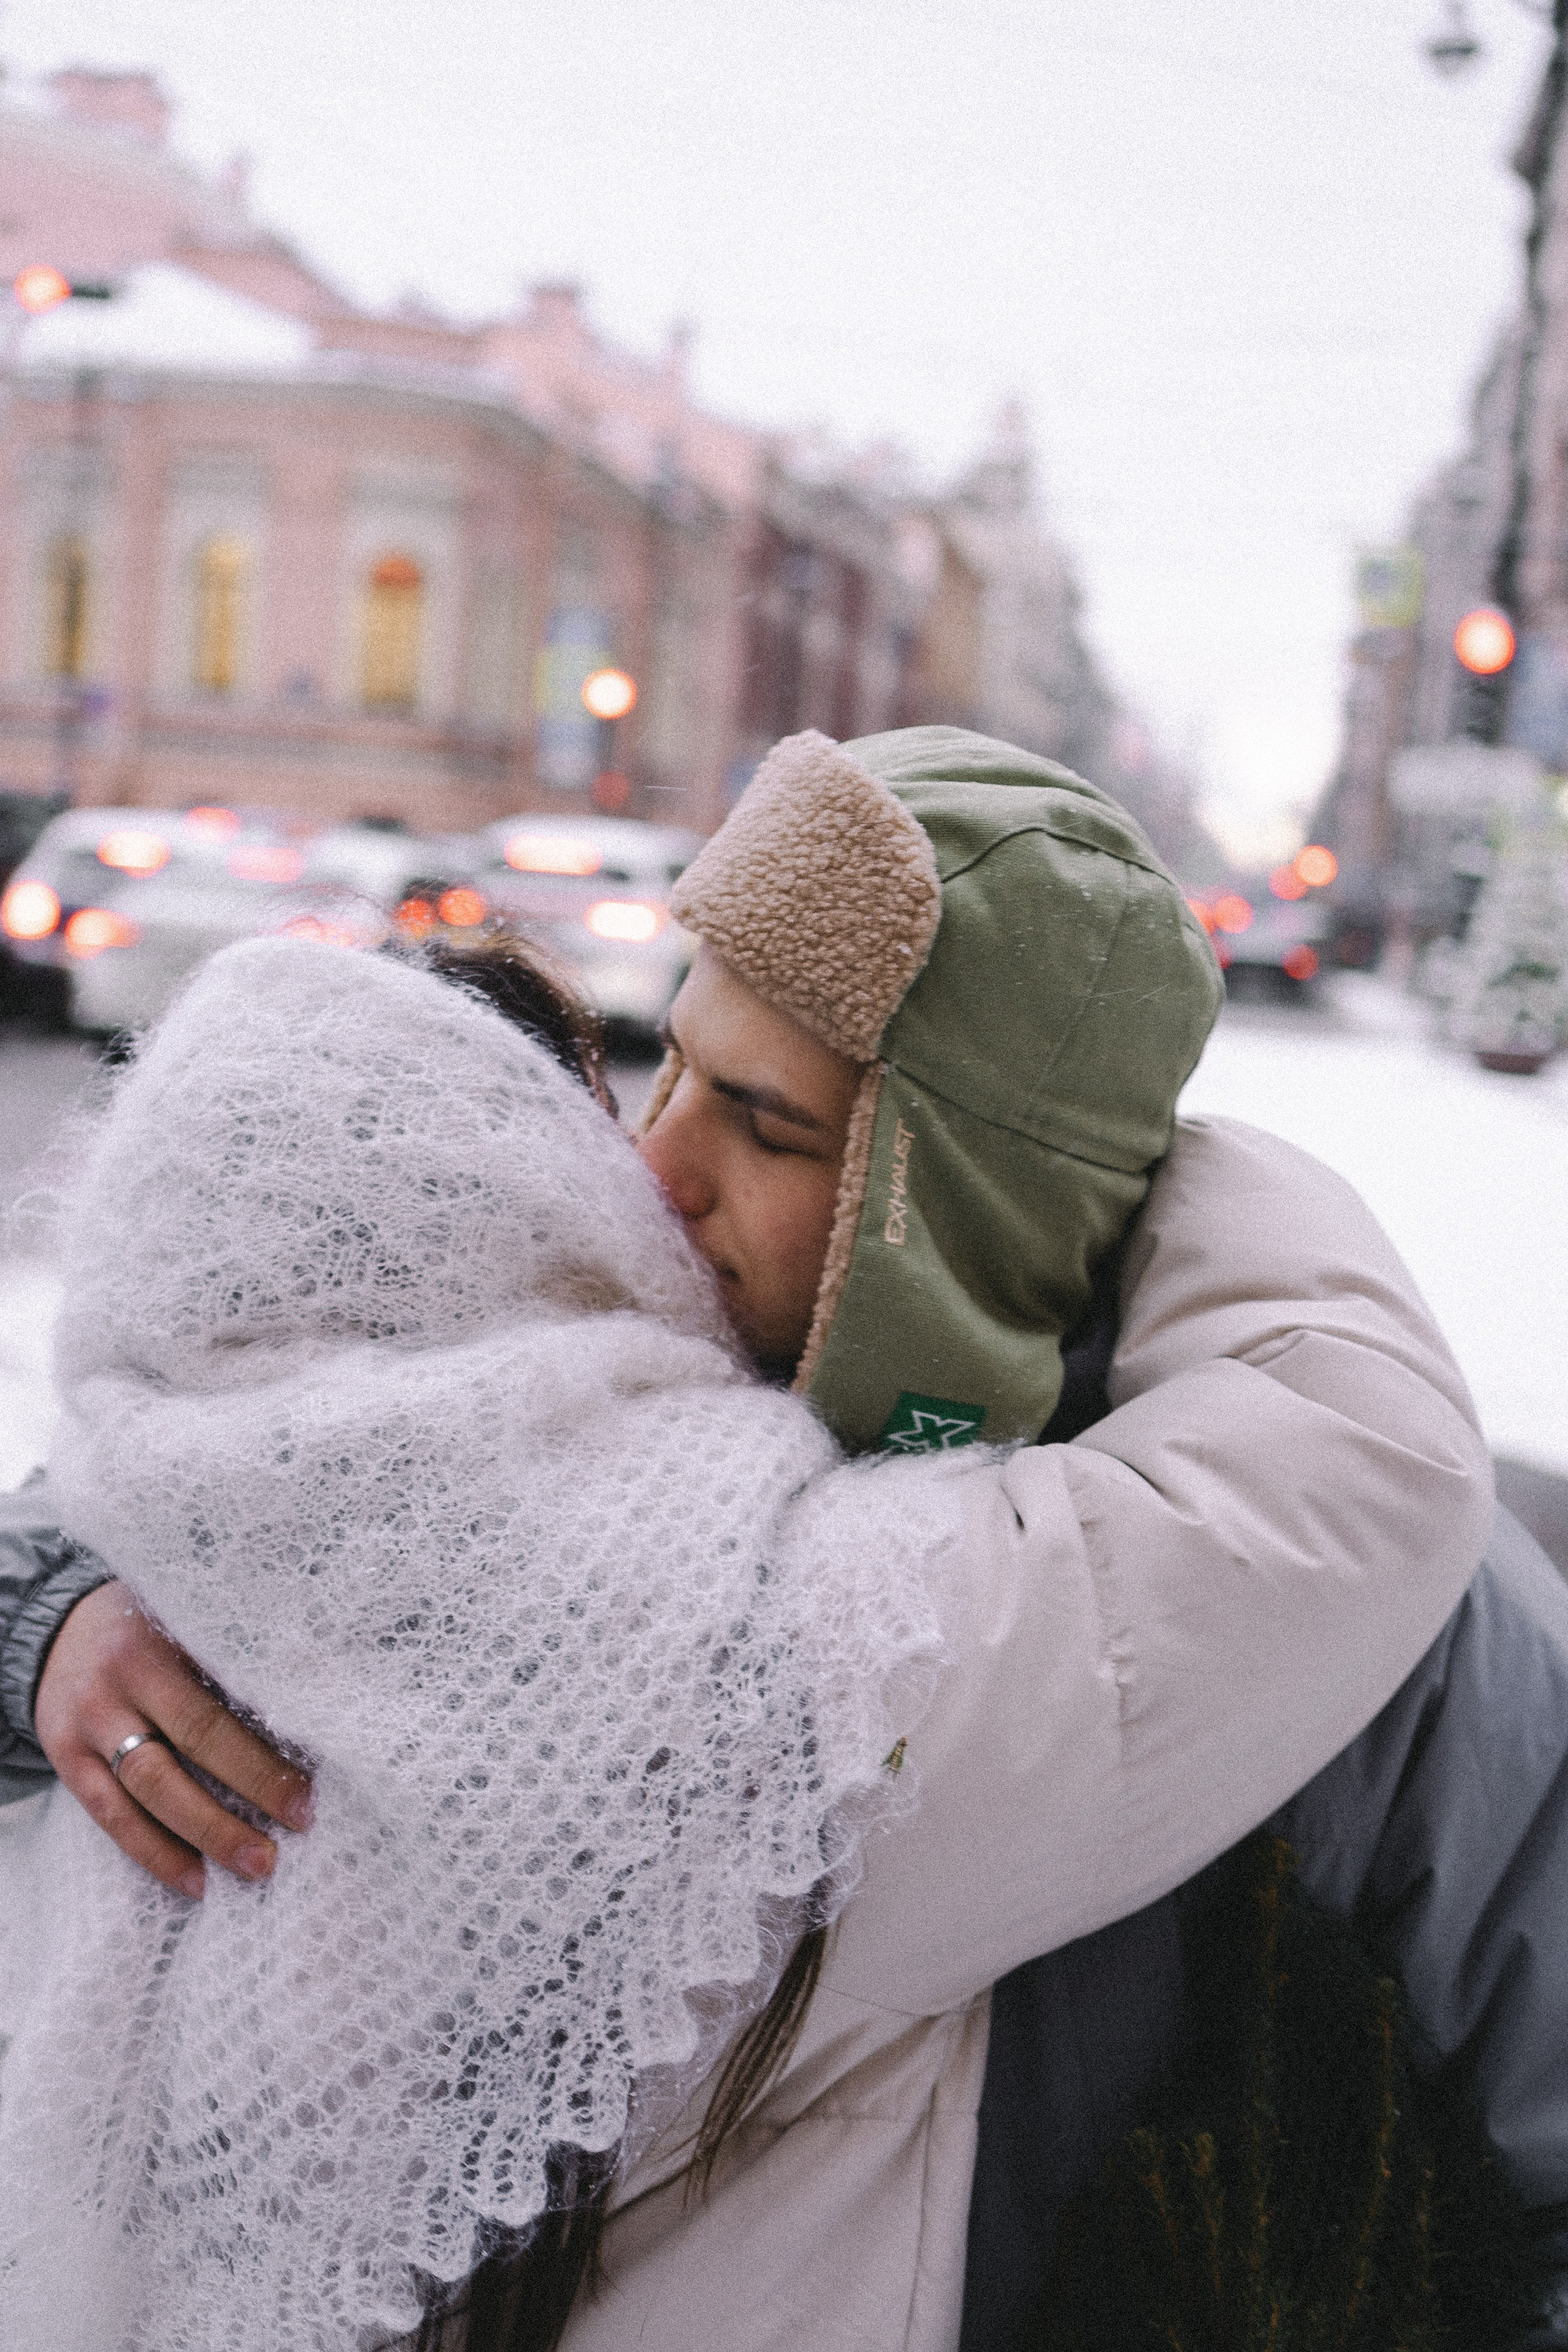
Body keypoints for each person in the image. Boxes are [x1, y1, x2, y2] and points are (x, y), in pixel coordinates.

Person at [0, 725, 1501, 2352]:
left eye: (766, 1126)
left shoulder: (328, 1530)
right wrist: (1111, 1142)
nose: (654, 1170)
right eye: (672, 1070)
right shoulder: (835, 1624)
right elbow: (1365, 1442)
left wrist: (46, 1609)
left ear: (951, 1189)